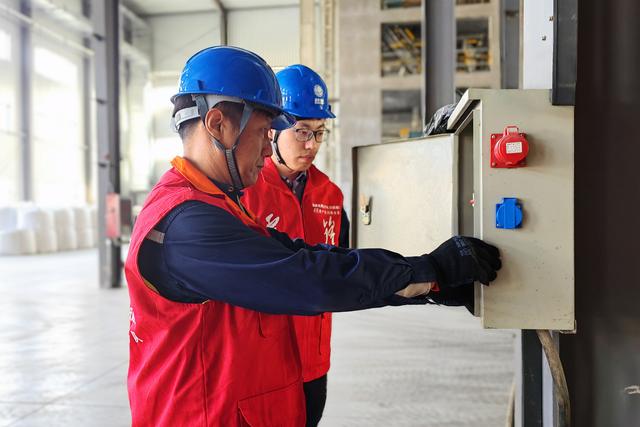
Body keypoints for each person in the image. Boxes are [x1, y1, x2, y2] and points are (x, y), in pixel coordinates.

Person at [125, 45, 501, 427]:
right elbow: (305, 278)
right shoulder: (186, 223)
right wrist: (429, 268)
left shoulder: (220, 204)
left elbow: (318, 259)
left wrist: (428, 284)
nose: (268, 149)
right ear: (218, 124)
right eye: (263, 132)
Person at [241, 64, 346, 427]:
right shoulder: (246, 191)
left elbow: (342, 268)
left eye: (319, 133)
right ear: (273, 130)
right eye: (301, 131)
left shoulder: (330, 194)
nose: (311, 144)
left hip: (314, 361)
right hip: (262, 361)